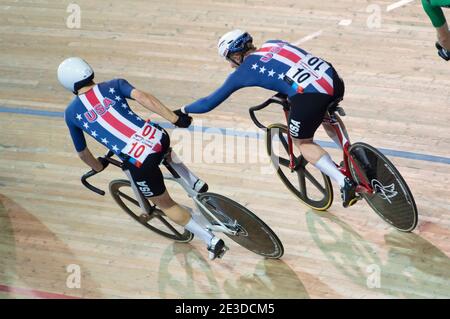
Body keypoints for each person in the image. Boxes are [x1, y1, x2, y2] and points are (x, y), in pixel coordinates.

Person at [57, 57, 227, 260]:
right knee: (161, 146)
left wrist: (98, 166)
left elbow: (83, 153)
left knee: (166, 204)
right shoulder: (114, 84)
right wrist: (174, 118)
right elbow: (144, 98)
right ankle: (193, 181)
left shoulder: (71, 113)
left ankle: (211, 240)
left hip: (138, 161)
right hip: (156, 136)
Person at [176, 30, 357, 207]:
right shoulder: (273, 43)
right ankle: (354, 158)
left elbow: (208, 103)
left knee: (302, 141)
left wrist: (184, 110)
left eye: (229, 60)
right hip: (333, 79)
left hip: (311, 95)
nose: (231, 65)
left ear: (235, 55)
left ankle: (343, 182)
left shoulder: (242, 72)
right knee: (326, 111)